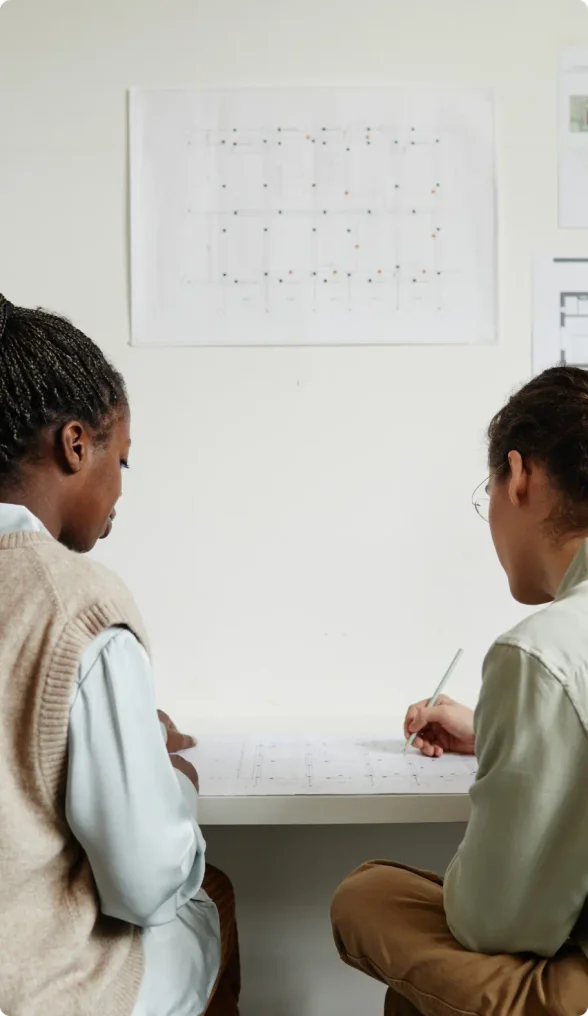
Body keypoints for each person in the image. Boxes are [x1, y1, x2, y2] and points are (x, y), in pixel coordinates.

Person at [0, 295, 240, 1016]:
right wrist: (167, 768)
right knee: (209, 898)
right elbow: (144, 882)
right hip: (37, 992)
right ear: (76, 444)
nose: (119, 493)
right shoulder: (76, 601)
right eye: (121, 460)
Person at [331, 366, 588, 1016]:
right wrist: (497, 733)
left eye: (491, 491)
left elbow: (498, 923)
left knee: (364, 899)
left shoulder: (541, 648)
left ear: (520, 474)